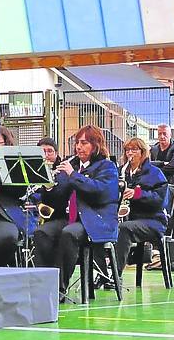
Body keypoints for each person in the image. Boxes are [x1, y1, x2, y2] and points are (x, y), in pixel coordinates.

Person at [32, 125, 119, 298]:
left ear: (95, 145)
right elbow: (56, 201)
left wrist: (73, 175)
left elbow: (99, 192)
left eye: (84, 143)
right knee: (42, 232)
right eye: (77, 143)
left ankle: (59, 288)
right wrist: (49, 188)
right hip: (70, 218)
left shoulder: (107, 167)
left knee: (69, 234)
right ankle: (44, 284)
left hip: (95, 220)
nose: (78, 147)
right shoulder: (71, 165)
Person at [114, 138, 169, 277]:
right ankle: (102, 271)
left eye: (134, 150)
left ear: (143, 152)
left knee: (123, 229)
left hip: (153, 221)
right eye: (127, 150)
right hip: (131, 219)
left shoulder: (155, 173)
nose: (130, 153)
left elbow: (160, 200)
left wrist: (137, 194)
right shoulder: (122, 172)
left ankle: (114, 276)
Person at [0, 126, 37, 266]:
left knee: (4, 237)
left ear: (6, 144)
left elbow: (20, 191)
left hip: (6, 214)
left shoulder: (14, 162)